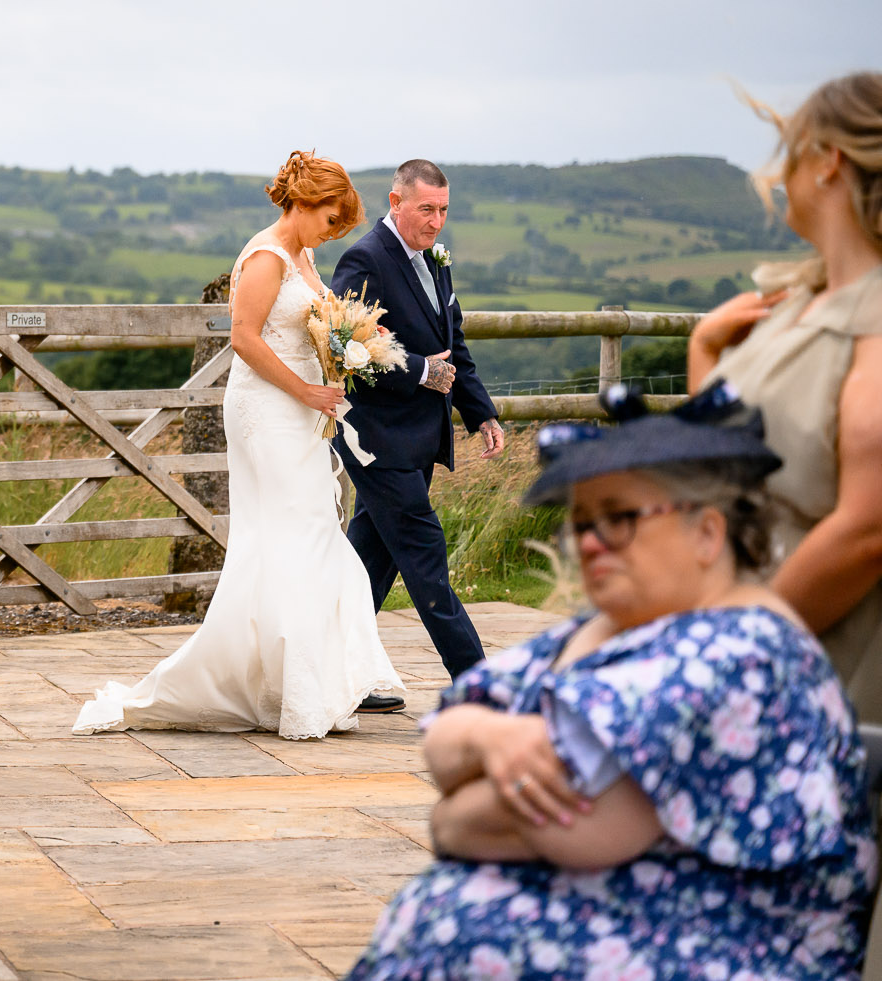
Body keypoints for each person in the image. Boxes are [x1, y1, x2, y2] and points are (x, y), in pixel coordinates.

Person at [349, 383, 876, 981]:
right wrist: (487, 738)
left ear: (707, 533)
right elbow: (448, 732)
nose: (593, 541)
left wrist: (452, 814)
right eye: (582, 522)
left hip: (722, 948)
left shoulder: (739, 652)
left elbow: (576, 831)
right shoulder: (621, 628)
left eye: (620, 518)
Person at [74, 151, 403, 739]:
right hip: (268, 412)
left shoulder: (301, 256)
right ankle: (284, 691)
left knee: (305, 537)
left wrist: (350, 345)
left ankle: (291, 686)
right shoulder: (264, 257)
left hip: (301, 412)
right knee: (296, 534)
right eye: (330, 219)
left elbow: (309, 326)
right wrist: (304, 388)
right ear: (304, 204)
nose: (332, 234)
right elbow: (244, 340)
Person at [686, 74, 882, 719]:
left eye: (789, 152)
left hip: (811, 658)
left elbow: (867, 526)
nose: (775, 174)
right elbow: (720, 452)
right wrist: (705, 352)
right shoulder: (799, 299)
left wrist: (729, 647)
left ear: (829, 162)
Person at [332, 159, 504, 681]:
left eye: (444, 210)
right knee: (426, 557)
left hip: (418, 439)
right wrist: (418, 370)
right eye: (426, 209)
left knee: (368, 566)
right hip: (376, 440)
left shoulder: (435, 260)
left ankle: (333, 670)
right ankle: (479, 684)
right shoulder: (364, 259)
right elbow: (343, 346)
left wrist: (481, 413)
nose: (436, 221)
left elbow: (453, 347)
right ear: (396, 202)